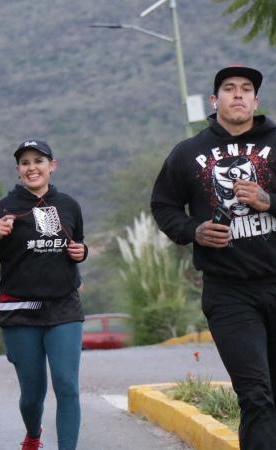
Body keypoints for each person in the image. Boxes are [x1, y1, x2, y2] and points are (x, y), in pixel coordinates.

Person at [151, 65, 276, 450]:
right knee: (256, 394)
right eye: (228, 88)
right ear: (214, 100)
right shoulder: (188, 153)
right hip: (228, 293)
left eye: (245, 89)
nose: (237, 94)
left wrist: (268, 200)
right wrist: (194, 232)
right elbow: (164, 206)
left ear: (255, 101)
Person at [0, 139, 88, 450]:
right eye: (25, 162)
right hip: (21, 309)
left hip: (64, 307)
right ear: (18, 170)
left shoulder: (69, 205)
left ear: (52, 166)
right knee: (32, 395)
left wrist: (81, 252)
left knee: (66, 386)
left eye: (39, 161)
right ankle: (33, 435)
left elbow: (78, 245)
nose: (32, 167)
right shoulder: (4, 208)